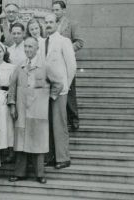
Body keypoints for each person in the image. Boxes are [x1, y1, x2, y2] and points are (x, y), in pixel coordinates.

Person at [8, 37, 58, 184]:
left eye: (31, 47)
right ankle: (19, 173)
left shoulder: (45, 66)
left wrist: (48, 99)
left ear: (37, 48)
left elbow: (58, 83)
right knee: (21, 142)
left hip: (38, 112)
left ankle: (40, 174)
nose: (28, 49)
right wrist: (12, 105)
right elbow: (12, 88)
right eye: (26, 47)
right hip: (21, 110)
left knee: (38, 142)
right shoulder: (19, 66)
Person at [43, 13, 77, 169]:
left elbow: (72, 66)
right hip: (45, 89)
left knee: (59, 124)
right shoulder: (43, 42)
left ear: (57, 24)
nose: (48, 24)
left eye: (51, 22)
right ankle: (51, 156)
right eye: (46, 22)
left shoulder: (64, 41)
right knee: (48, 123)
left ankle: (63, 157)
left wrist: (66, 85)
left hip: (60, 90)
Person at [52, 0, 84, 131]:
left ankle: (74, 119)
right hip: (53, 64)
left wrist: (67, 49)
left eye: (57, 10)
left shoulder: (71, 24)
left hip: (66, 63)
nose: (55, 13)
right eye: (53, 10)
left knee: (69, 92)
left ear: (64, 10)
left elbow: (80, 42)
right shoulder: (50, 24)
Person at [0, 42, 16, 177]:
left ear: (4, 52)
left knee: (2, 131)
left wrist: (11, 102)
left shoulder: (11, 67)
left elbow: (13, 86)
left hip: (4, 101)